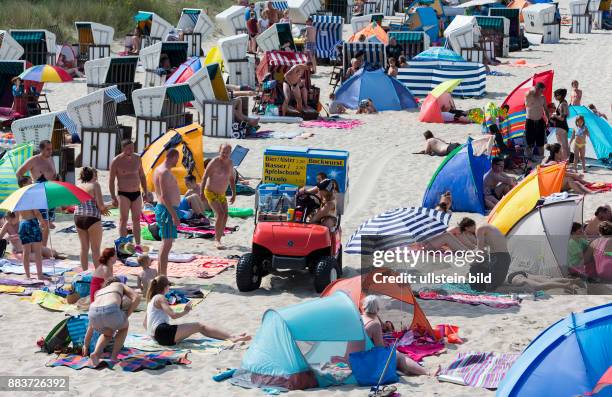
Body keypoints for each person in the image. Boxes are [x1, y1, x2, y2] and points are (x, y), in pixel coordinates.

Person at [144, 275, 250, 346]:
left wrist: (153, 335)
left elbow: (145, 323)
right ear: (165, 286)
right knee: (199, 326)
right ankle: (232, 337)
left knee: (194, 328)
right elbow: (173, 315)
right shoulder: (160, 298)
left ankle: (232, 337)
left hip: (157, 337)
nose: (169, 287)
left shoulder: (151, 301)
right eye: (169, 285)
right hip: (163, 333)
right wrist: (186, 310)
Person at [361, 296, 428, 376]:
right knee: (398, 355)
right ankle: (426, 373)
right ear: (377, 309)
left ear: (363, 307)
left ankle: (402, 369)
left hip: (358, 356)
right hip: (368, 360)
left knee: (395, 355)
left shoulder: (360, 318)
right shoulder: (374, 324)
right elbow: (380, 348)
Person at [83, 278, 140, 365]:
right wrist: (126, 316)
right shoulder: (119, 284)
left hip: (92, 312)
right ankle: (114, 356)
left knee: (108, 333)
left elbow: (90, 326)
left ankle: (96, 354)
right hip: (110, 309)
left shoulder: (99, 292)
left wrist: (85, 345)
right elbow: (136, 297)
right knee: (124, 327)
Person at [16, 140, 58, 247]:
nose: (50, 151)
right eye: (48, 149)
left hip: (51, 194)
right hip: (38, 194)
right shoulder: (34, 160)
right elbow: (19, 173)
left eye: (51, 149)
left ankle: (44, 247)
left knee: (48, 222)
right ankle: (39, 248)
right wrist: (26, 189)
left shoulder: (51, 159)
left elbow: (53, 175)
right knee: (42, 222)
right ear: (41, 149)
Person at [109, 140, 149, 248]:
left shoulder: (138, 159)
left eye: (132, 147)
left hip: (136, 192)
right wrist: (113, 197)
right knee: (124, 219)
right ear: (123, 148)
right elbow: (111, 180)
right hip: (123, 194)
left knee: (136, 219)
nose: (131, 150)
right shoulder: (116, 161)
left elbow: (142, 176)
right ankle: (123, 244)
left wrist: (146, 191)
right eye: (128, 148)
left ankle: (138, 244)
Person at [459, 218, 510, 292]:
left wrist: (471, 264)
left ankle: (519, 291)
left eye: (467, 233)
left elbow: (480, 253)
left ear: (467, 228)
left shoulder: (479, 229)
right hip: (501, 258)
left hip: (499, 259)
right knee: (486, 282)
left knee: (491, 288)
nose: (469, 235)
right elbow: (483, 250)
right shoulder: (485, 227)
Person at [200, 144, 236, 249]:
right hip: (210, 191)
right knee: (220, 213)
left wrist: (234, 194)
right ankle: (217, 240)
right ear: (219, 151)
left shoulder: (230, 163)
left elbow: (232, 179)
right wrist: (201, 193)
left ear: (230, 153)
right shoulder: (214, 162)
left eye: (227, 152)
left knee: (225, 215)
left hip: (221, 193)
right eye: (223, 152)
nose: (225, 154)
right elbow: (204, 177)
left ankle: (219, 234)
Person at [153, 149, 181, 275]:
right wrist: (174, 216)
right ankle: (162, 276)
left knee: (166, 244)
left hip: (165, 209)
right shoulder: (164, 172)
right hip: (167, 210)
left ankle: (161, 274)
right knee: (166, 244)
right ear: (173, 157)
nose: (178, 161)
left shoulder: (159, 169)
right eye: (177, 158)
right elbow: (164, 196)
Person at [75, 167, 109, 271]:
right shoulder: (95, 185)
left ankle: (84, 272)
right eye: (96, 176)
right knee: (95, 250)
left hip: (78, 217)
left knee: (84, 248)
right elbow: (101, 206)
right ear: (93, 176)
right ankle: (98, 273)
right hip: (92, 218)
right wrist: (110, 206)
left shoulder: (78, 186)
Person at [15, 177, 48, 280]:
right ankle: (39, 275)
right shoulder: (30, 196)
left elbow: (16, 217)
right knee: (38, 251)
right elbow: (36, 212)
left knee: (26, 251)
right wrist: (43, 221)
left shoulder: (17, 196)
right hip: (32, 222)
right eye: (30, 182)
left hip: (23, 223)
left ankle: (27, 275)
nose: (32, 183)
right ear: (24, 184)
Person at [524, 82, 550, 161]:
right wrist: (534, 89)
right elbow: (528, 92)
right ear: (536, 89)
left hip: (539, 121)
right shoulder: (529, 96)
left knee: (540, 143)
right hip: (530, 121)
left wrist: (548, 119)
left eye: (543, 91)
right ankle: (528, 159)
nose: (542, 92)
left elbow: (545, 109)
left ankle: (541, 158)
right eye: (541, 91)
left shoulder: (542, 98)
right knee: (529, 143)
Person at [549, 88, 570, 161]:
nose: (554, 97)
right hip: (564, 126)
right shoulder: (565, 102)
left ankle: (565, 160)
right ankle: (567, 159)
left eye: (555, 95)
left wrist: (554, 116)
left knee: (561, 145)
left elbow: (562, 118)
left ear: (560, 96)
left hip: (560, 127)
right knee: (565, 145)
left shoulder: (562, 104)